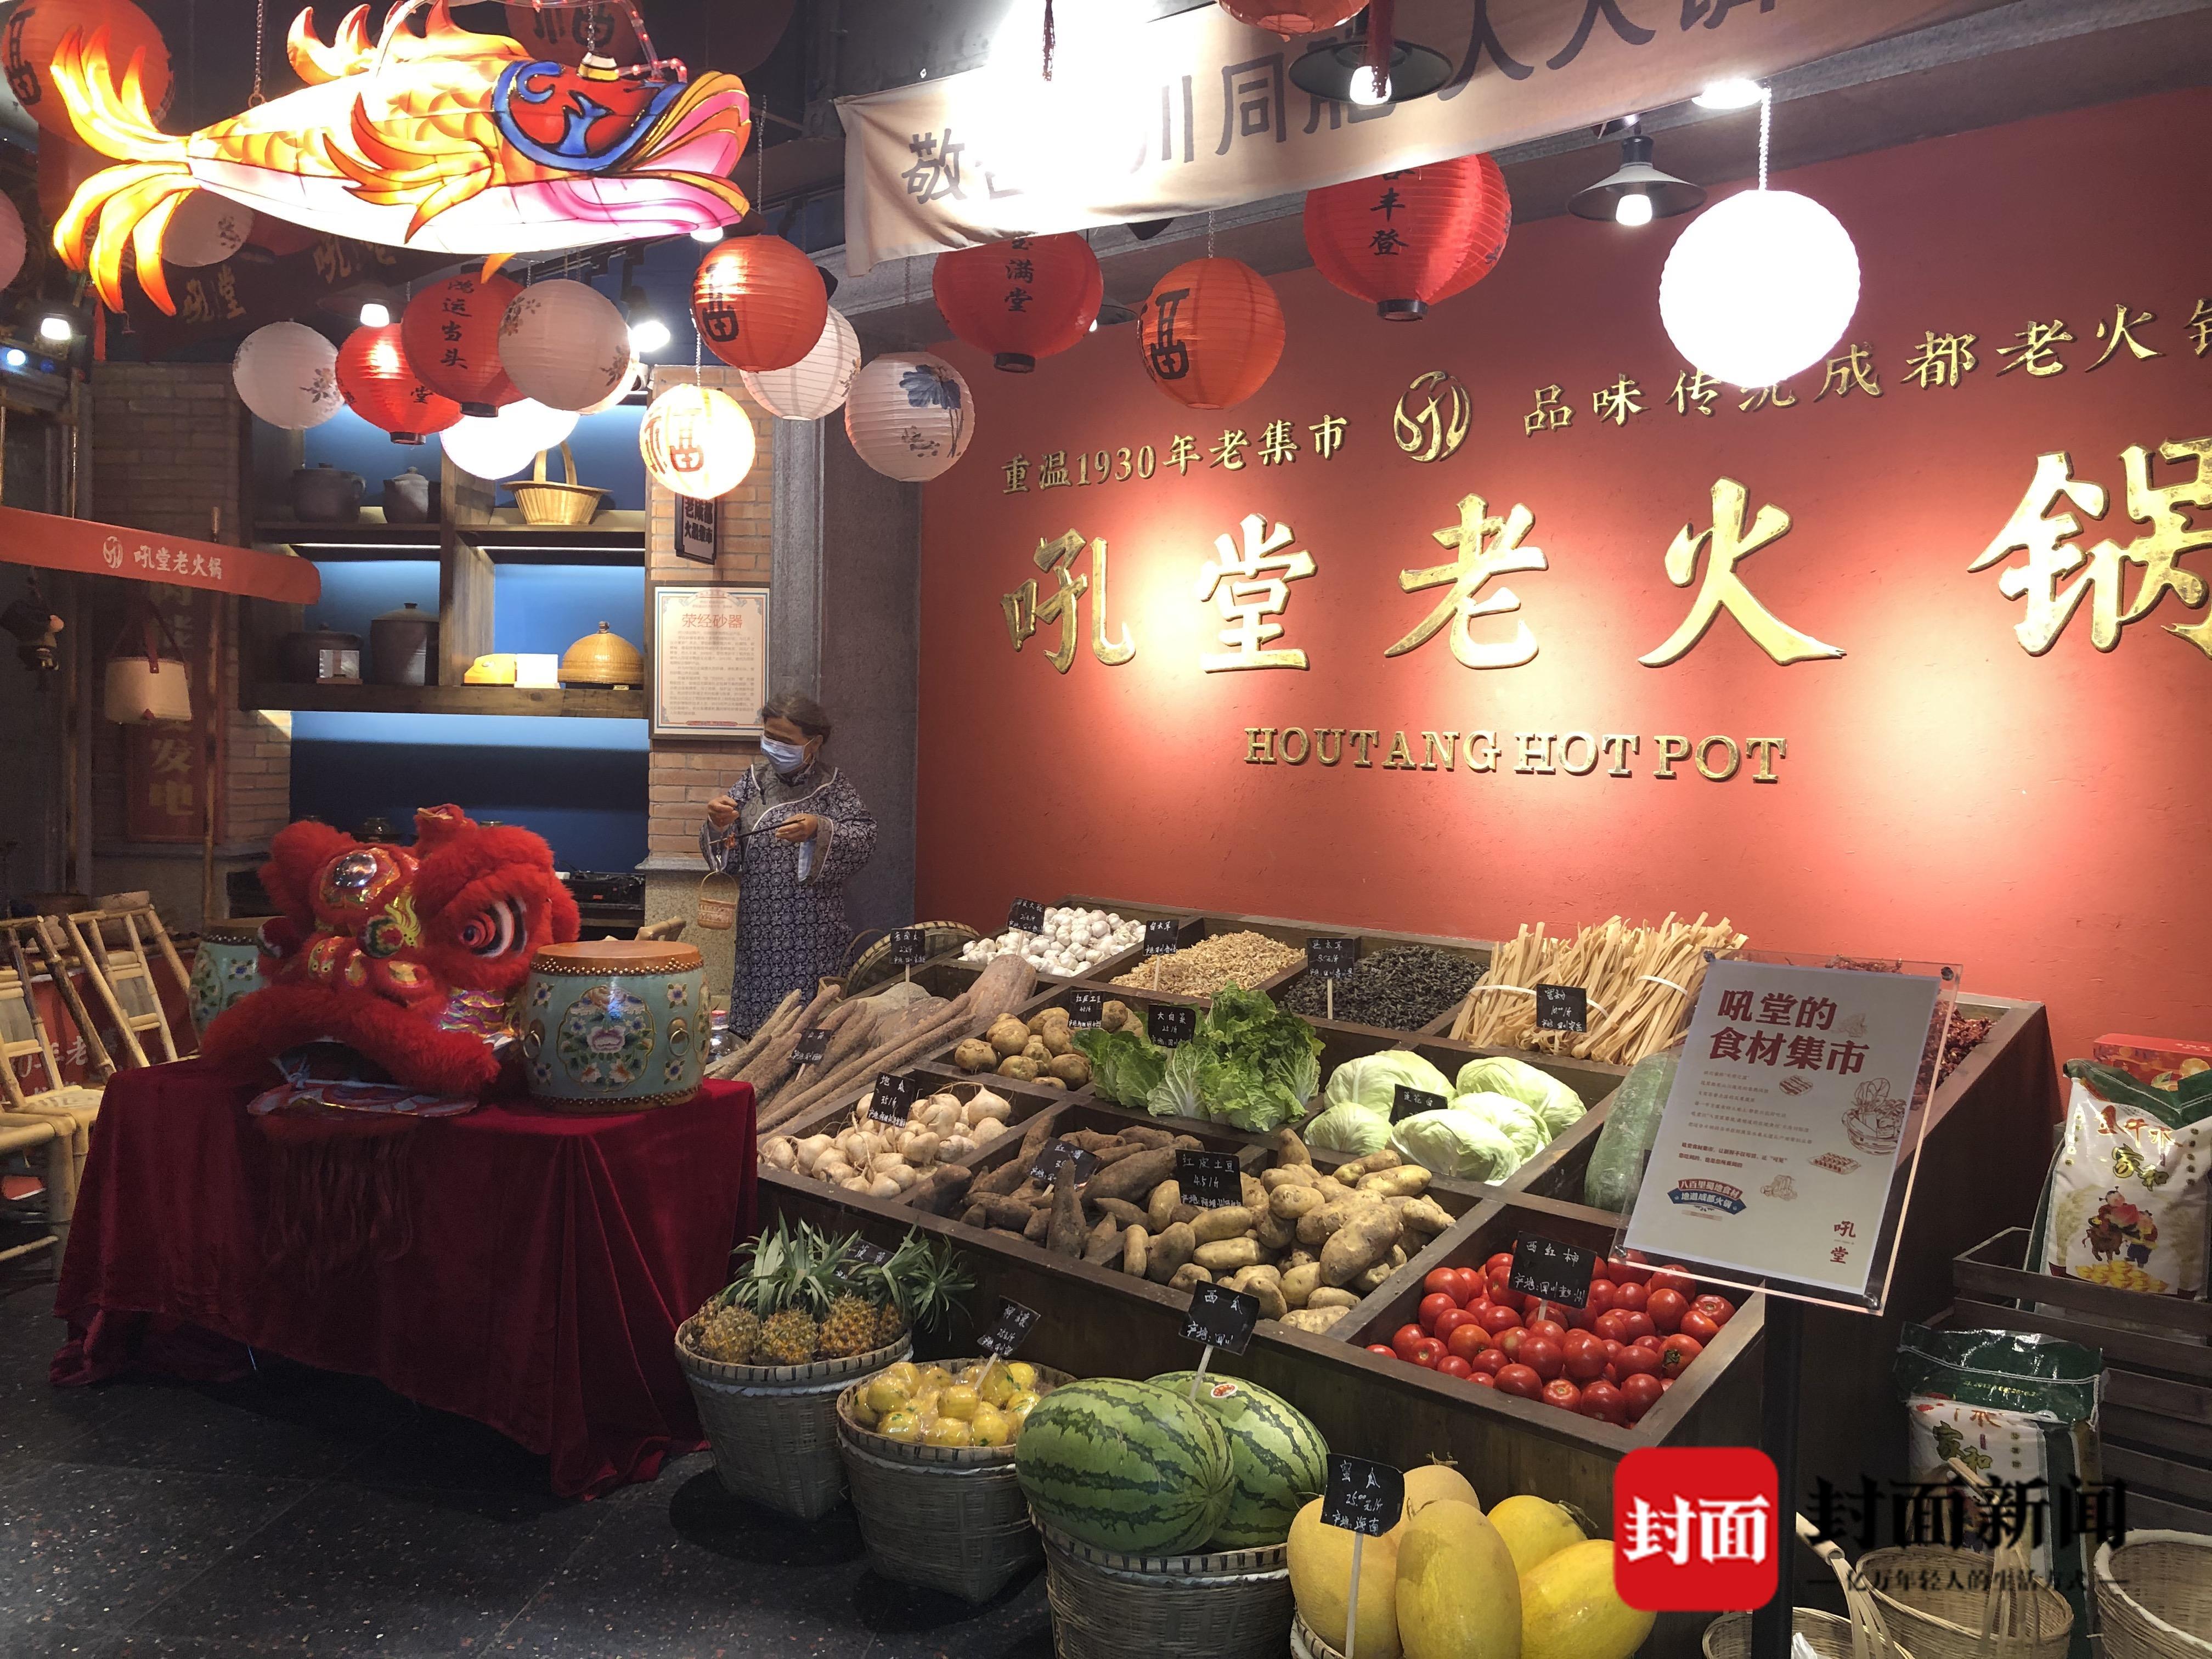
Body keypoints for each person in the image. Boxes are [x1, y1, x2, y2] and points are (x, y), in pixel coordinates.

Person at [701, 692, 877, 1034]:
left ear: (814, 743)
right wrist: (718, 822)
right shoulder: (753, 781)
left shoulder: (832, 786)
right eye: (770, 736)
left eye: (786, 741)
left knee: (807, 1019)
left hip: (813, 928)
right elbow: (726, 856)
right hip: (759, 924)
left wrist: (818, 828)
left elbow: (865, 836)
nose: (775, 746)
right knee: (758, 1017)